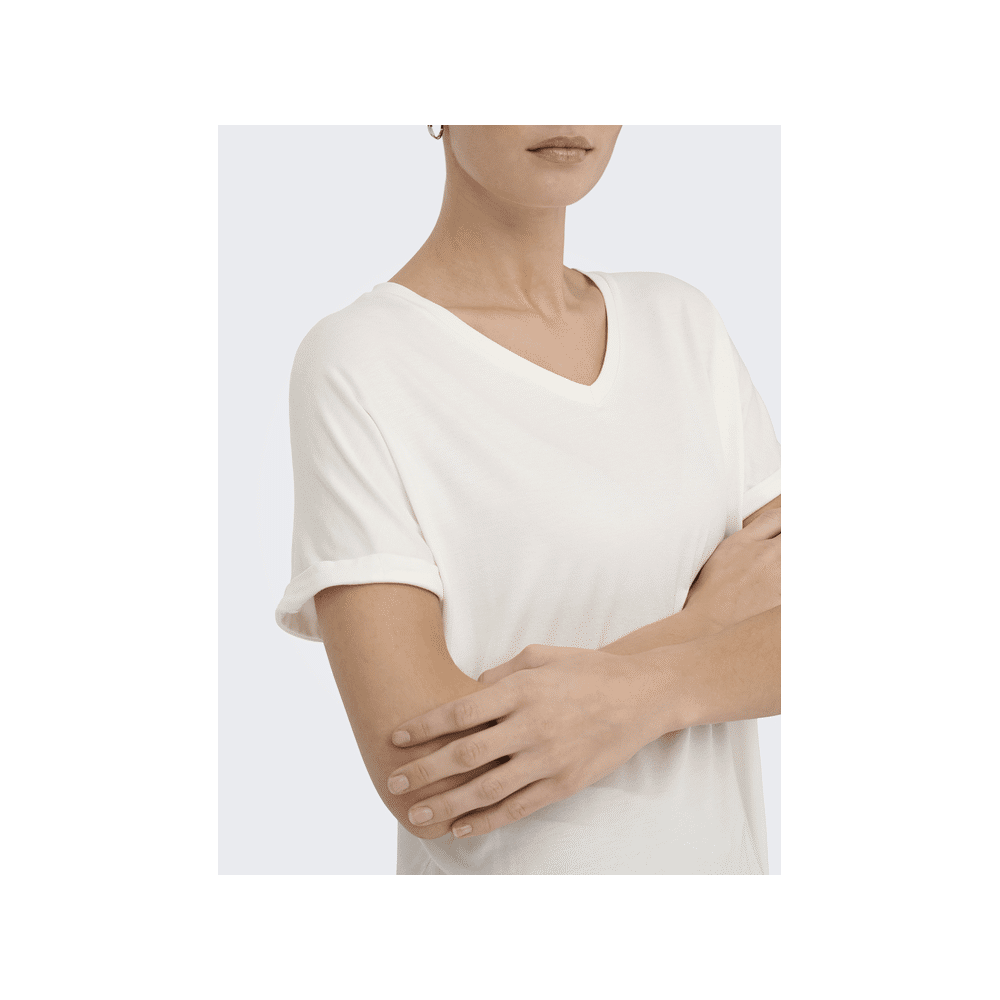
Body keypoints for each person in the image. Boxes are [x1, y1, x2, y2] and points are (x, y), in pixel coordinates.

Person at [274, 125, 780, 875]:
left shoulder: (682, 324)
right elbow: (429, 775)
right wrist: (703, 630)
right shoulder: (361, 360)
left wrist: (641, 691)